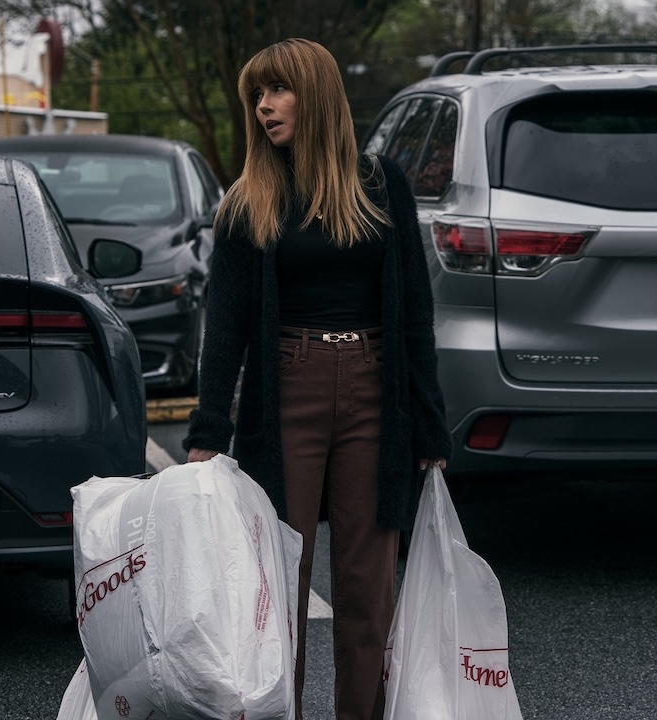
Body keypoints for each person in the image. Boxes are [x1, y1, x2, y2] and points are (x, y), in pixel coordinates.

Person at [183, 38, 451, 720]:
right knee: (278, 586)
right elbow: (228, 325)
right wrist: (207, 432)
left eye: (277, 90)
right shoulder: (250, 200)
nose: (264, 106)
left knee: (367, 590)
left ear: (317, 94)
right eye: (257, 96)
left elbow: (414, 312)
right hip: (288, 391)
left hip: (373, 390)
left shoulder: (383, 183)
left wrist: (429, 421)